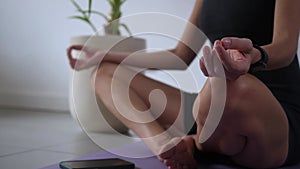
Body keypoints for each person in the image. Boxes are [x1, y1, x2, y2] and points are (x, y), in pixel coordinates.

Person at [67, 0, 300, 168]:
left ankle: (196, 148)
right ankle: (165, 145)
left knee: (233, 86)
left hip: (271, 118)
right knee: (105, 74)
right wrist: (104, 55)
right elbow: (179, 56)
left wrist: (253, 57)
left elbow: (286, 48)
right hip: (211, 111)